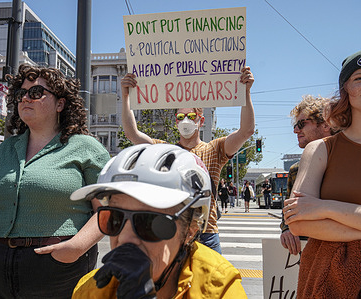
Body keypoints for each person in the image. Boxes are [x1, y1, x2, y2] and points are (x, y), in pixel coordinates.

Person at [0, 64, 110, 298]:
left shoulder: (86, 148)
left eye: (36, 93)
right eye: (21, 94)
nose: (25, 99)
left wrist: (75, 248)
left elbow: (106, 209)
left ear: (60, 103)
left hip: (57, 267)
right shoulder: (6, 149)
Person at [284, 48, 361, 297]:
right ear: (346, 91)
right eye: (359, 78)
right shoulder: (319, 149)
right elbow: (298, 223)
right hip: (329, 280)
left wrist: (328, 208)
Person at [72, 144, 247, 298]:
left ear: (190, 231)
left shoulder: (219, 287)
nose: (124, 238)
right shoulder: (91, 290)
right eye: (114, 219)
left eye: (148, 223)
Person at [121, 67, 255, 254]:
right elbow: (132, 134)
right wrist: (126, 96)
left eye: (191, 117)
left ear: (201, 121)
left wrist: (246, 92)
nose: (185, 121)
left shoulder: (215, 149)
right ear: (175, 122)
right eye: (180, 117)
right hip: (174, 232)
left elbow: (246, 131)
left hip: (206, 233)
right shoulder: (166, 150)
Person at [280, 95, 334, 255]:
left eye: (302, 124)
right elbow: (288, 211)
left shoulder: (348, 163)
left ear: (326, 124)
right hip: (307, 256)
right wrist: (286, 229)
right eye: (295, 125)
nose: (296, 130)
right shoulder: (296, 170)